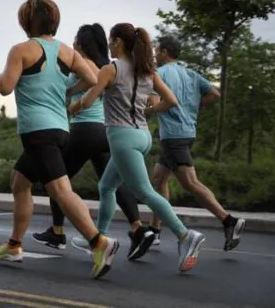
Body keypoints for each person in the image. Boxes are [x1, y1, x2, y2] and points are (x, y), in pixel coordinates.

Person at [0, 0, 119, 279]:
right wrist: (64, 93)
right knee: (19, 182)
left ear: (25, 21)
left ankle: (99, 242)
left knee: (60, 190)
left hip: (38, 131)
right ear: (53, 21)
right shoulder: (67, 52)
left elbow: (6, 87)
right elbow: (93, 80)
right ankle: (14, 245)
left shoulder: (21, 50)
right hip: (60, 129)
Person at [68, 23, 205, 273]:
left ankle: (186, 235)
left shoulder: (111, 69)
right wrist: (148, 110)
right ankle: (99, 239)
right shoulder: (147, 71)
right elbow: (171, 101)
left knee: (144, 191)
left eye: (111, 40)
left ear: (118, 42)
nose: (108, 44)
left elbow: (89, 98)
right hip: (142, 136)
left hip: (122, 137)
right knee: (106, 186)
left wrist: (73, 108)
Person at [31, 23, 154, 261]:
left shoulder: (85, 64)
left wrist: (70, 92)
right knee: (112, 185)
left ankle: (57, 233)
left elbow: (87, 81)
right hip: (104, 132)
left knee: (56, 179)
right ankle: (138, 228)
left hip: (84, 130)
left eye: (77, 40)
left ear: (83, 44)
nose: (74, 43)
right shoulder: (105, 65)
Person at [148, 35, 246, 251]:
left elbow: (154, 103)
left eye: (157, 51)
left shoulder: (160, 74)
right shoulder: (191, 74)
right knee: (158, 178)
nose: (155, 55)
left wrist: (144, 112)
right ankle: (155, 230)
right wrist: (194, 106)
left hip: (173, 135)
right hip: (187, 132)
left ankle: (228, 220)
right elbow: (215, 93)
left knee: (190, 182)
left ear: (164, 52)